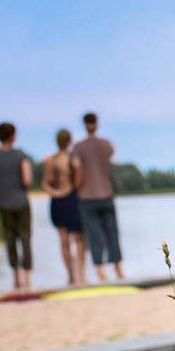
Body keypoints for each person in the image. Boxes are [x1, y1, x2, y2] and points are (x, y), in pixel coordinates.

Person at [72, 111, 123, 280]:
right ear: (97, 124)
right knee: (112, 232)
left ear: (84, 125)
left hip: (87, 197)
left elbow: (78, 171)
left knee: (94, 235)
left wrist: (77, 187)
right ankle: (118, 268)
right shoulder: (107, 145)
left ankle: (101, 271)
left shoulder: (78, 147)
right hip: (106, 193)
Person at [0, 121, 34, 292]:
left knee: (9, 238)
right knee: (25, 238)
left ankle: (16, 278)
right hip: (21, 202)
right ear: (13, 136)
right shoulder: (20, 155)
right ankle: (27, 279)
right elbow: (27, 179)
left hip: (3, 203)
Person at [43, 128, 86, 285]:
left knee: (64, 240)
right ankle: (81, 275)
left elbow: (45, 183)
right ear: (69, 141)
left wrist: (55, 193)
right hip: (71, 199)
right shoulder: (73, 160)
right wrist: (67, 191)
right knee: (79, 239)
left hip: (57, 201)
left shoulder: (50, 160)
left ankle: (71, 275)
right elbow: (79, 182)